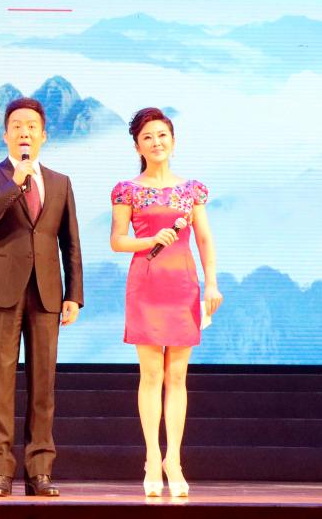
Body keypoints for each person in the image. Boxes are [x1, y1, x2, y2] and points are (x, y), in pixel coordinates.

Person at [0, 97, 84, 498]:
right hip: (0, 291)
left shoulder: (60, 182)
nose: (24, 132)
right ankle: (1, 471)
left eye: (32, 126)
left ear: (43, 135)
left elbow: (70, 241)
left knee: (43, 385)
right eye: (17, 125)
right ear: (5, 134)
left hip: (47, 292)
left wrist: (74, 294)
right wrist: (13, 183)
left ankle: (40, 471)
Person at [110, 107, 223, 498]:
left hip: (182, 285)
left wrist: (212, 284)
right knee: (150, 375)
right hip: (145, 285)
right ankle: (151, 456)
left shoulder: (192, 190)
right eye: (147, 137)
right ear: (137, 146)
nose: (156, 142)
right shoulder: (127, 189)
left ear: (173, 142)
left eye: (162, 135)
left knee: (177, 376)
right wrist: (150, 240)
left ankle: (173, 458)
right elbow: (117, 240)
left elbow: (204, 238)